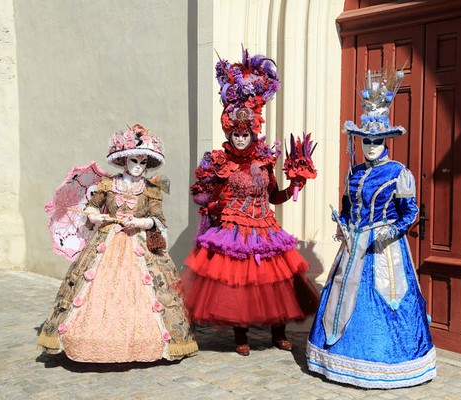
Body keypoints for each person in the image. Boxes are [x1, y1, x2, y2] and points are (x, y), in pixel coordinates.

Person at [182, 49, 318, 356]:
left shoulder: (265, 161)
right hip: (234, 231)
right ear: (228, 134)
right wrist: (212, 201)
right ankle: (240, 334)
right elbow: (201, 197)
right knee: (238, 284)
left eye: (245, 134)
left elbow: (274, 197)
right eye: (235, 134)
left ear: (253, 133)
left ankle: (278, 332)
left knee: (275, 282)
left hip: (266, 228)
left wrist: (296, 185)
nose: (240, 139)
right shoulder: (219, 161)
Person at [306, 69, 436, 388]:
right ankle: (336, 359)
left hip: (383, 248)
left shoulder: (398, 173)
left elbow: (410, 211)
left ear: (387, 140)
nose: (371, 146)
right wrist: (344, 227)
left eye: (377, 141)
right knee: (341, 291)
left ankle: (384, 362)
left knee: (386, 298)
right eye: (366, 141)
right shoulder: (355, 173)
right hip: (353, 247)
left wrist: (388, 232)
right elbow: (351, 207)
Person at [38, 124, 198, 363]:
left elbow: (159, 220)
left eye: (143, 162)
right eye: (134, 160)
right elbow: (92, 206)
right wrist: (94, 215)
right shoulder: (107, 184)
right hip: (108, 242)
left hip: (140, 245)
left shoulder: (152, 188)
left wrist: (141, 222)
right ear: (124, 160)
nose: (138, 166)